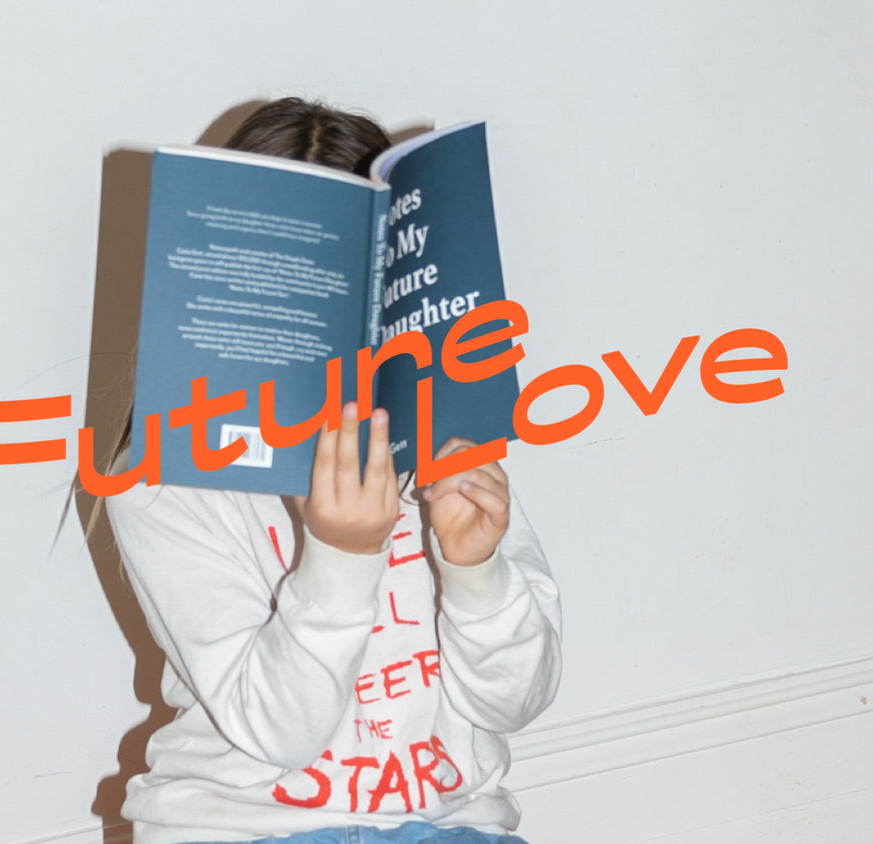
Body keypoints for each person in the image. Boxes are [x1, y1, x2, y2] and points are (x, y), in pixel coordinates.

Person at [104, 98, 562, 844]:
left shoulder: (441, 448)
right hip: (241, 828)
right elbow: (280, 732)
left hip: (444, 825)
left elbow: (517, 703)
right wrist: (343, 556)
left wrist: (477, 572)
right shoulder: (161, 482)